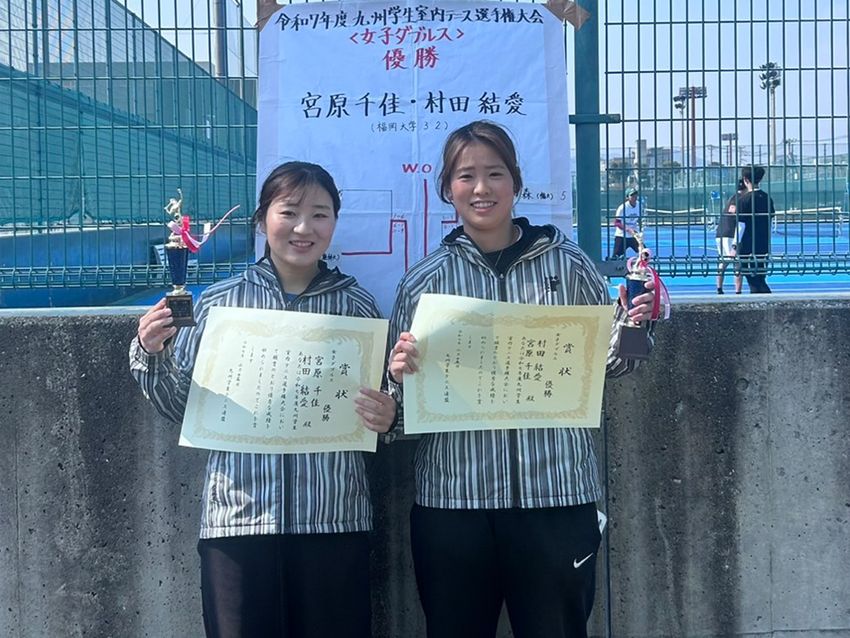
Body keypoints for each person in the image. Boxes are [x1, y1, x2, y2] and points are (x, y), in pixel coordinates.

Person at [386, 121, 657, 638]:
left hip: (556, 497)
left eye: (495, 173)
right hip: (453, 505)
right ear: (447, 188)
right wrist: (399, 381)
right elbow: (395, 411)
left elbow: (611, 367)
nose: (481, 188)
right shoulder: (424, 281)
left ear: (516, 182)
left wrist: (634, 330)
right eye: (466, 176)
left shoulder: (568, 264)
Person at [129, 161, 397, 638]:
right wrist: (152, 354)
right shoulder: (219, 304)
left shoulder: (357, 307)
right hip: (237, 524)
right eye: (288, 212)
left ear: (335, 223)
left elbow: (383, 410)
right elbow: (180, 407)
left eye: (319, 214)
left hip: (333, 520)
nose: (303, 228)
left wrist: (389, 413)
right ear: (262, 219)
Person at [735, 165, 775, 294]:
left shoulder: (743, 200)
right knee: (760, 278)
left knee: (752, 279)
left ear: (745, 180)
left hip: (747, 245)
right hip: (763, 243)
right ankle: (762, 302)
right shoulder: (767, 198)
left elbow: (741, 225)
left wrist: (735, 245)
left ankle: (764, 302)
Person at [715, 180, 745, 294]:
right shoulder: (741, 200)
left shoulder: (732, 198)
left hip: (720, 233)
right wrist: (735, 245)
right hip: (730, 234)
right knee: (737, 264)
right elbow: (740, 222)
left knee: (723, 262)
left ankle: (719, 288)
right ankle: (738, 292)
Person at [611, 186, 642, 258]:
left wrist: (639, 230)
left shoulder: (639, 205)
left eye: (636, 195)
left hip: (634, 235)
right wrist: (627, 229)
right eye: (632, 195)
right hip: (622, 236)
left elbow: (640, 219)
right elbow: (617, 222)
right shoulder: (622, 208)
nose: (634, 197)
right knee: (615, 257)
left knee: (645, 253)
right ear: (627, 197)